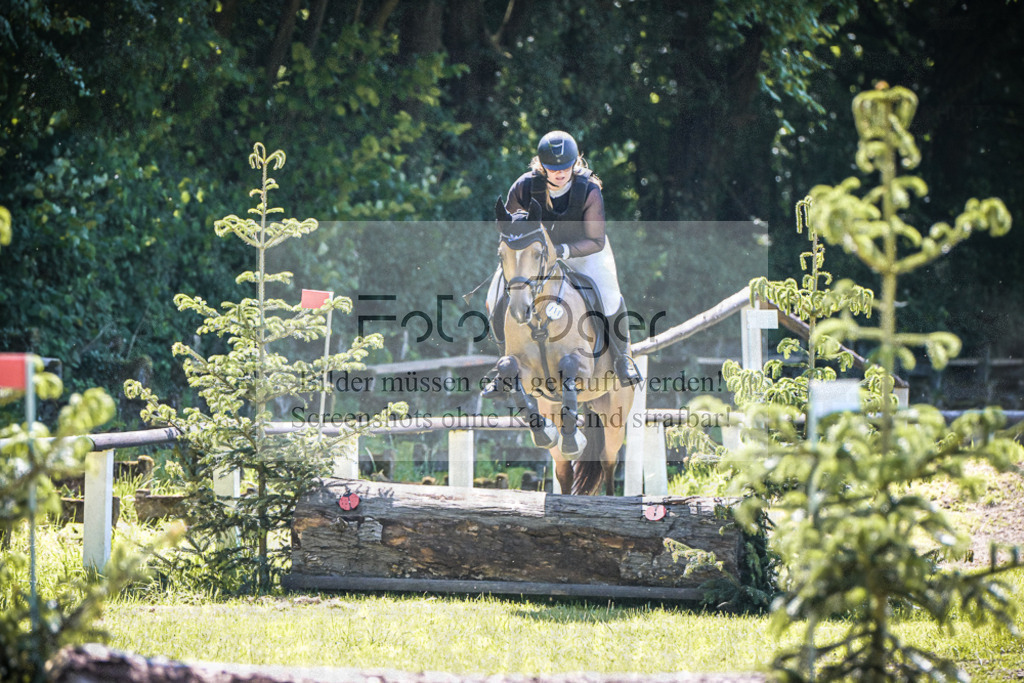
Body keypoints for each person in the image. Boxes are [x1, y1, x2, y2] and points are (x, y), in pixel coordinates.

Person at [486, 130, 642, 387]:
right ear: (541, 166)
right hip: (534, 255)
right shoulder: (524, 186)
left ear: (575, 162)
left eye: (566, 168)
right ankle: (505, 365)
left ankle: (622, 358)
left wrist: (561, 252)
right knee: (495, 294)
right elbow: (509, 228)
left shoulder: (588, 189)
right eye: (552, 168)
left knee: (609, 293)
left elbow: (596, 241)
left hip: (581, 249)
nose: (559, 173)